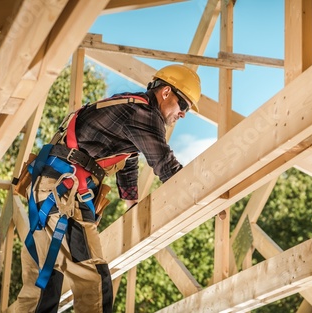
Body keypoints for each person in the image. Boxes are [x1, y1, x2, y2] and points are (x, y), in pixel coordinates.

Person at [16, 64, 201, 312]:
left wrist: (131, 201)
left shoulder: (127, 106)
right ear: (166, 92)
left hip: (48, 191)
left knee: (42, 286)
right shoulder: (145, 115)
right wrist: (200, 192)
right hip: (62, 196)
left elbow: (128, 157)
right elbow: (166, 166)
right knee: (94, 282)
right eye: (184, 105)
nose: (183, 114)